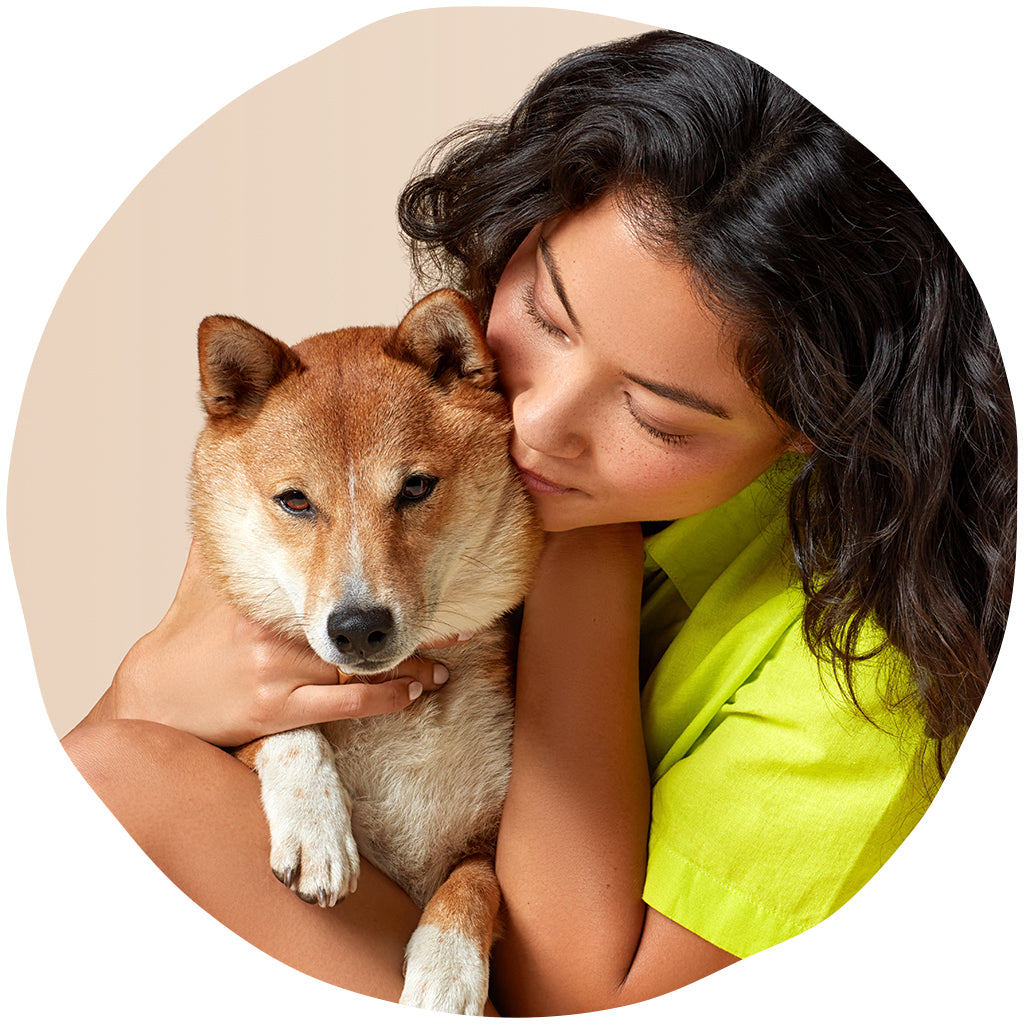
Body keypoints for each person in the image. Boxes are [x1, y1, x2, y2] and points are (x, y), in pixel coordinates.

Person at [61, 29, 1015, 1016]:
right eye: (549, 319)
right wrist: (152, 687)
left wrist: (576, 565)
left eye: (652, 414)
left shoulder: (871, 677)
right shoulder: (400, 416)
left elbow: (569, 998)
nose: (539, 421)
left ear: (813, 429)